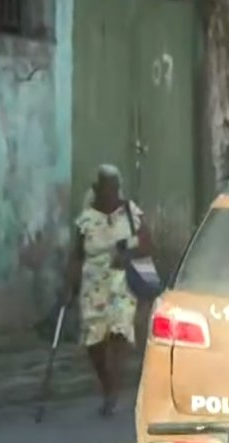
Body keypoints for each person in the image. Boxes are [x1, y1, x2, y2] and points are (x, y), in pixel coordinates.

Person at [65, 164, 153, 417]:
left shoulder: (130, 212)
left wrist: (127, 254)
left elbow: (148, 244)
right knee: (94, 341)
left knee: (119, 333)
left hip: (122, 282)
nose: (111, 194)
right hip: (93, 285)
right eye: (106, 189)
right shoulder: (86, 220)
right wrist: (68, 287)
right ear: (97, 189)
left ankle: (113, 391)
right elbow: (76, 255)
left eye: (115, 188)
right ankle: (107, 385)